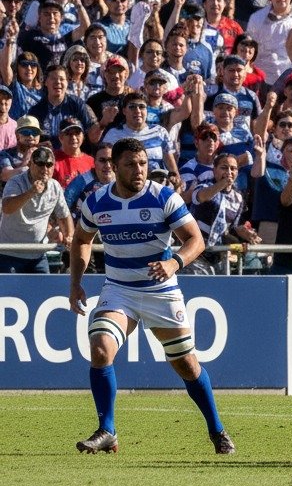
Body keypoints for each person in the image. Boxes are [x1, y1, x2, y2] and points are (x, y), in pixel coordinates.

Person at [69, 138, 235, 454]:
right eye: (131, 164)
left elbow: (195, 240)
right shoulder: (96, 202)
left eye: (143, 163)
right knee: (101, 348)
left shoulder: (163, 197)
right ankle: (108, 430)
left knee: (186, 364)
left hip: (161, 291)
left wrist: (174, 262)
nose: (139, 170)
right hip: (119, 290)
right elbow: (80, 240)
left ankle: (217, 430)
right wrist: (75, 282)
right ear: (114, 167)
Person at [0, 144, 72, 273]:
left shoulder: (55, 186)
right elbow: (7, 208)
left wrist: (69, 236)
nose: (44, 168)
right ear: (30, 164)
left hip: (38, 255)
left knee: (45, 290)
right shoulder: (16, 182)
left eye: (49, 165)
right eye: (40, 164)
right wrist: (30, 192)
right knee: (9, 293)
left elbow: (64, 216)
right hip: (9, 253)